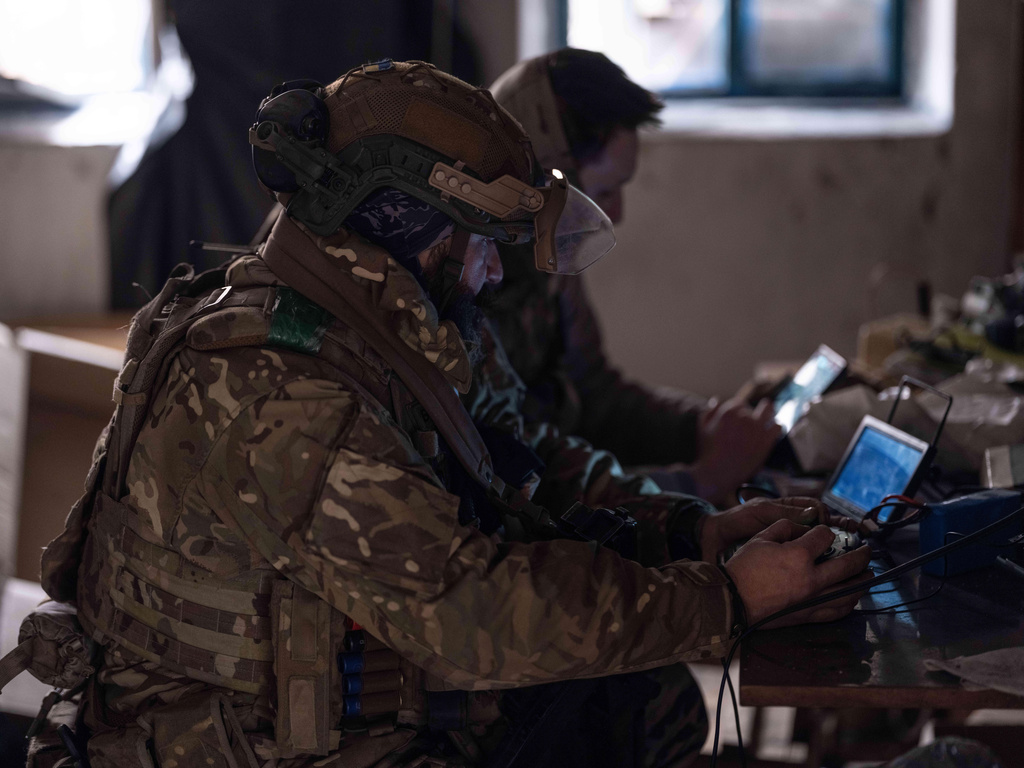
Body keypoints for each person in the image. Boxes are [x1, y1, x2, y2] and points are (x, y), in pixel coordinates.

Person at [17, 60, 873, 768]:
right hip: (240, 746)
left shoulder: (366, 333)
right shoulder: (285, 394)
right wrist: (723, 601)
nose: (495, 275)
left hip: (310, 717)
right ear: (410, 226)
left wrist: (687, 535)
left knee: (636, 699)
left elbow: (510, 484)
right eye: (483, 245)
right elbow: (473, 615)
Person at [488, 49, 780, 507]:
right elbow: (514, 473)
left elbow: (595, 397)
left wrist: (701, 426)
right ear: (543, 182)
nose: (617, 213)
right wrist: (697, 483)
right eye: (604, 192)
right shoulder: (467, 284)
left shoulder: (543, 259)